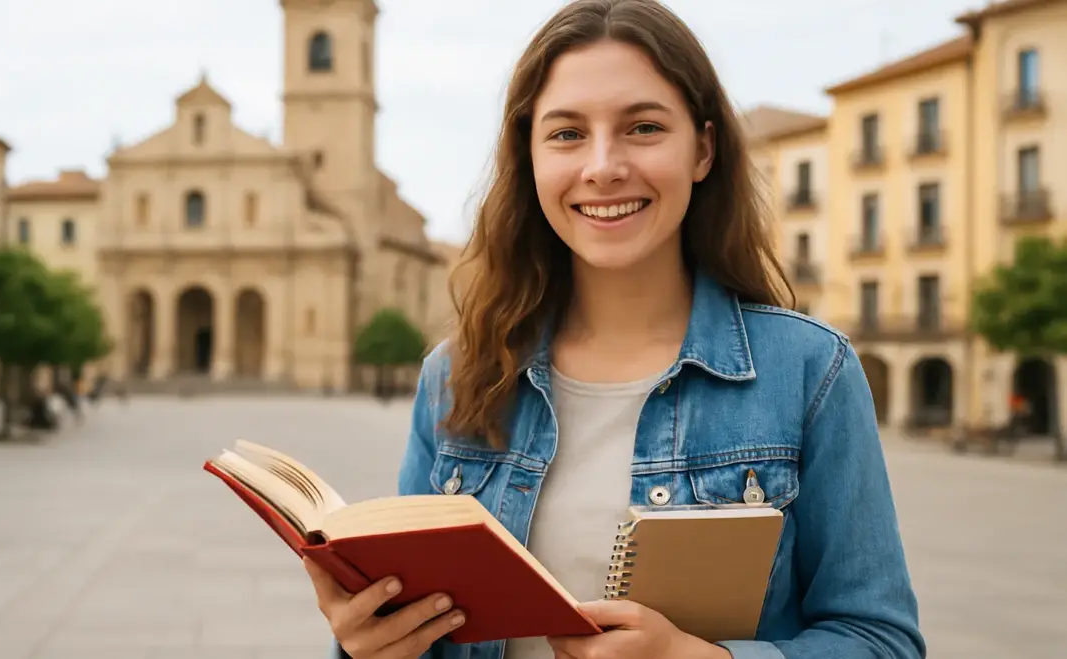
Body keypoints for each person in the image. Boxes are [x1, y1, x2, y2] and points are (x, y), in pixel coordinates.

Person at [303, 0, 926, 657]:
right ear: (531, 157)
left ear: (703, 148)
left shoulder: (808, 372)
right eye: (567, 133)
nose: (603, 165)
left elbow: (882, 640)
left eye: (644, 127)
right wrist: (367, 642)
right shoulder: (454, 377)